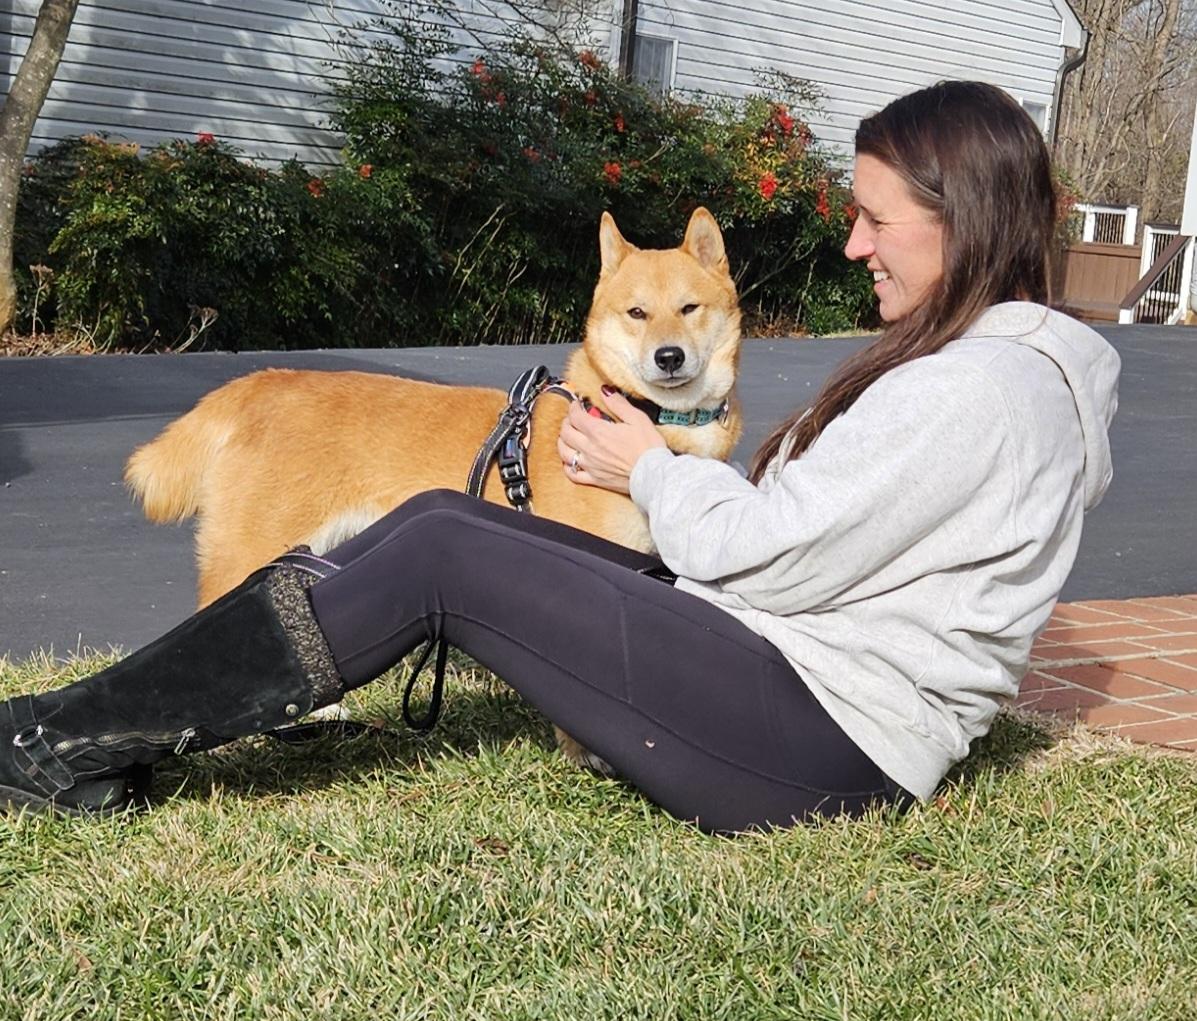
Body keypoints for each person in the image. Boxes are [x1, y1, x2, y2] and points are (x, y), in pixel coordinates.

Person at [0, 81, 1120, 834]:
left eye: (877, 220)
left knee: (443, 547)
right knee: (463, 522)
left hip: (819, 741)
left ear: (962, 217)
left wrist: (649, 465)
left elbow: (764, 556)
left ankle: (62, 740)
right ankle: (84, 725)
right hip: (795, 689)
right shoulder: (996, 368)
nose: (852, 243)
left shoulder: (979, 388)